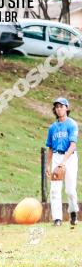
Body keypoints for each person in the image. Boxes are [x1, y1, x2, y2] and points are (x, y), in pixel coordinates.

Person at [46, 97, 78, 227]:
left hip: (69, 158)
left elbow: (73, 145)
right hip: (56, 157)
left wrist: (64, 161)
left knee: (70, 190)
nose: (59, 109)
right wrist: (48, 165)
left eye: (61, 106)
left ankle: (73, 211)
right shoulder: (52, 127)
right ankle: (57, 219)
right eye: (57, 106)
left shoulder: (71, 124)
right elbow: (50, 147)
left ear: (67, 108)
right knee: (55, 190)